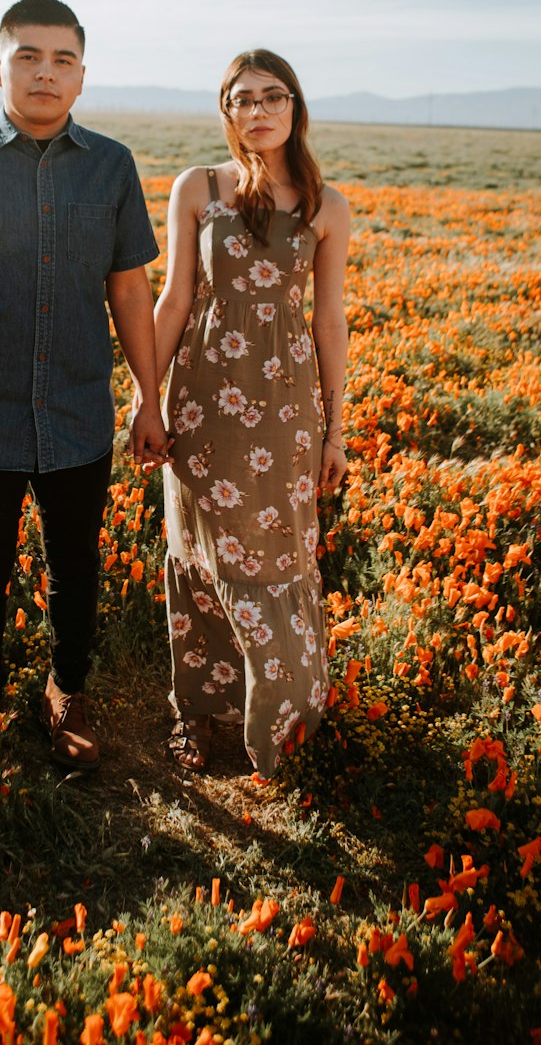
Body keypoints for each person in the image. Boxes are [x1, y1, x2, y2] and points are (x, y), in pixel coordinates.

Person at [0, 0, 167, 772]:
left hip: (79, 408)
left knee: (75, 563)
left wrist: (150, 397)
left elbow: (129, 290)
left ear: (82, 76)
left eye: (63, 60)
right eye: (28, 57)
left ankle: (66, 689)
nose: (46, 73)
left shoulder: (111, 165)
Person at [151, 49, 349, 776]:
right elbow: (174, 300)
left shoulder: (328, 205)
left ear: (295, 108)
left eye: (273, 97)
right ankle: (203, 713)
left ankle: (282, 728)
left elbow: (329, 323)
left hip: (285, 411)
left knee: (274, 557)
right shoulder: (198, 188)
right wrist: (146, 397)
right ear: (226, 110)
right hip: (202, 400)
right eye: (243, 99)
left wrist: (337, 430)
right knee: (198, 553)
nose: (258, 111)